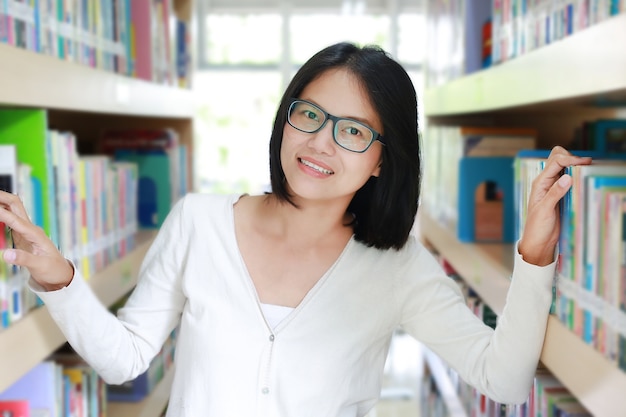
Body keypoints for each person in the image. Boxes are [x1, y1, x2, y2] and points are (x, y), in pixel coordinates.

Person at [0, 42, 591, 417]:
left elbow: (505, 380)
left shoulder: (397, 267)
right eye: (309, 115)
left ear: (384, 158)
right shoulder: (198, 223)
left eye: (354, 131)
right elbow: (125, 359)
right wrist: (59, 278)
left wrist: (535, 251)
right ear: (286, 118)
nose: (320, 142)